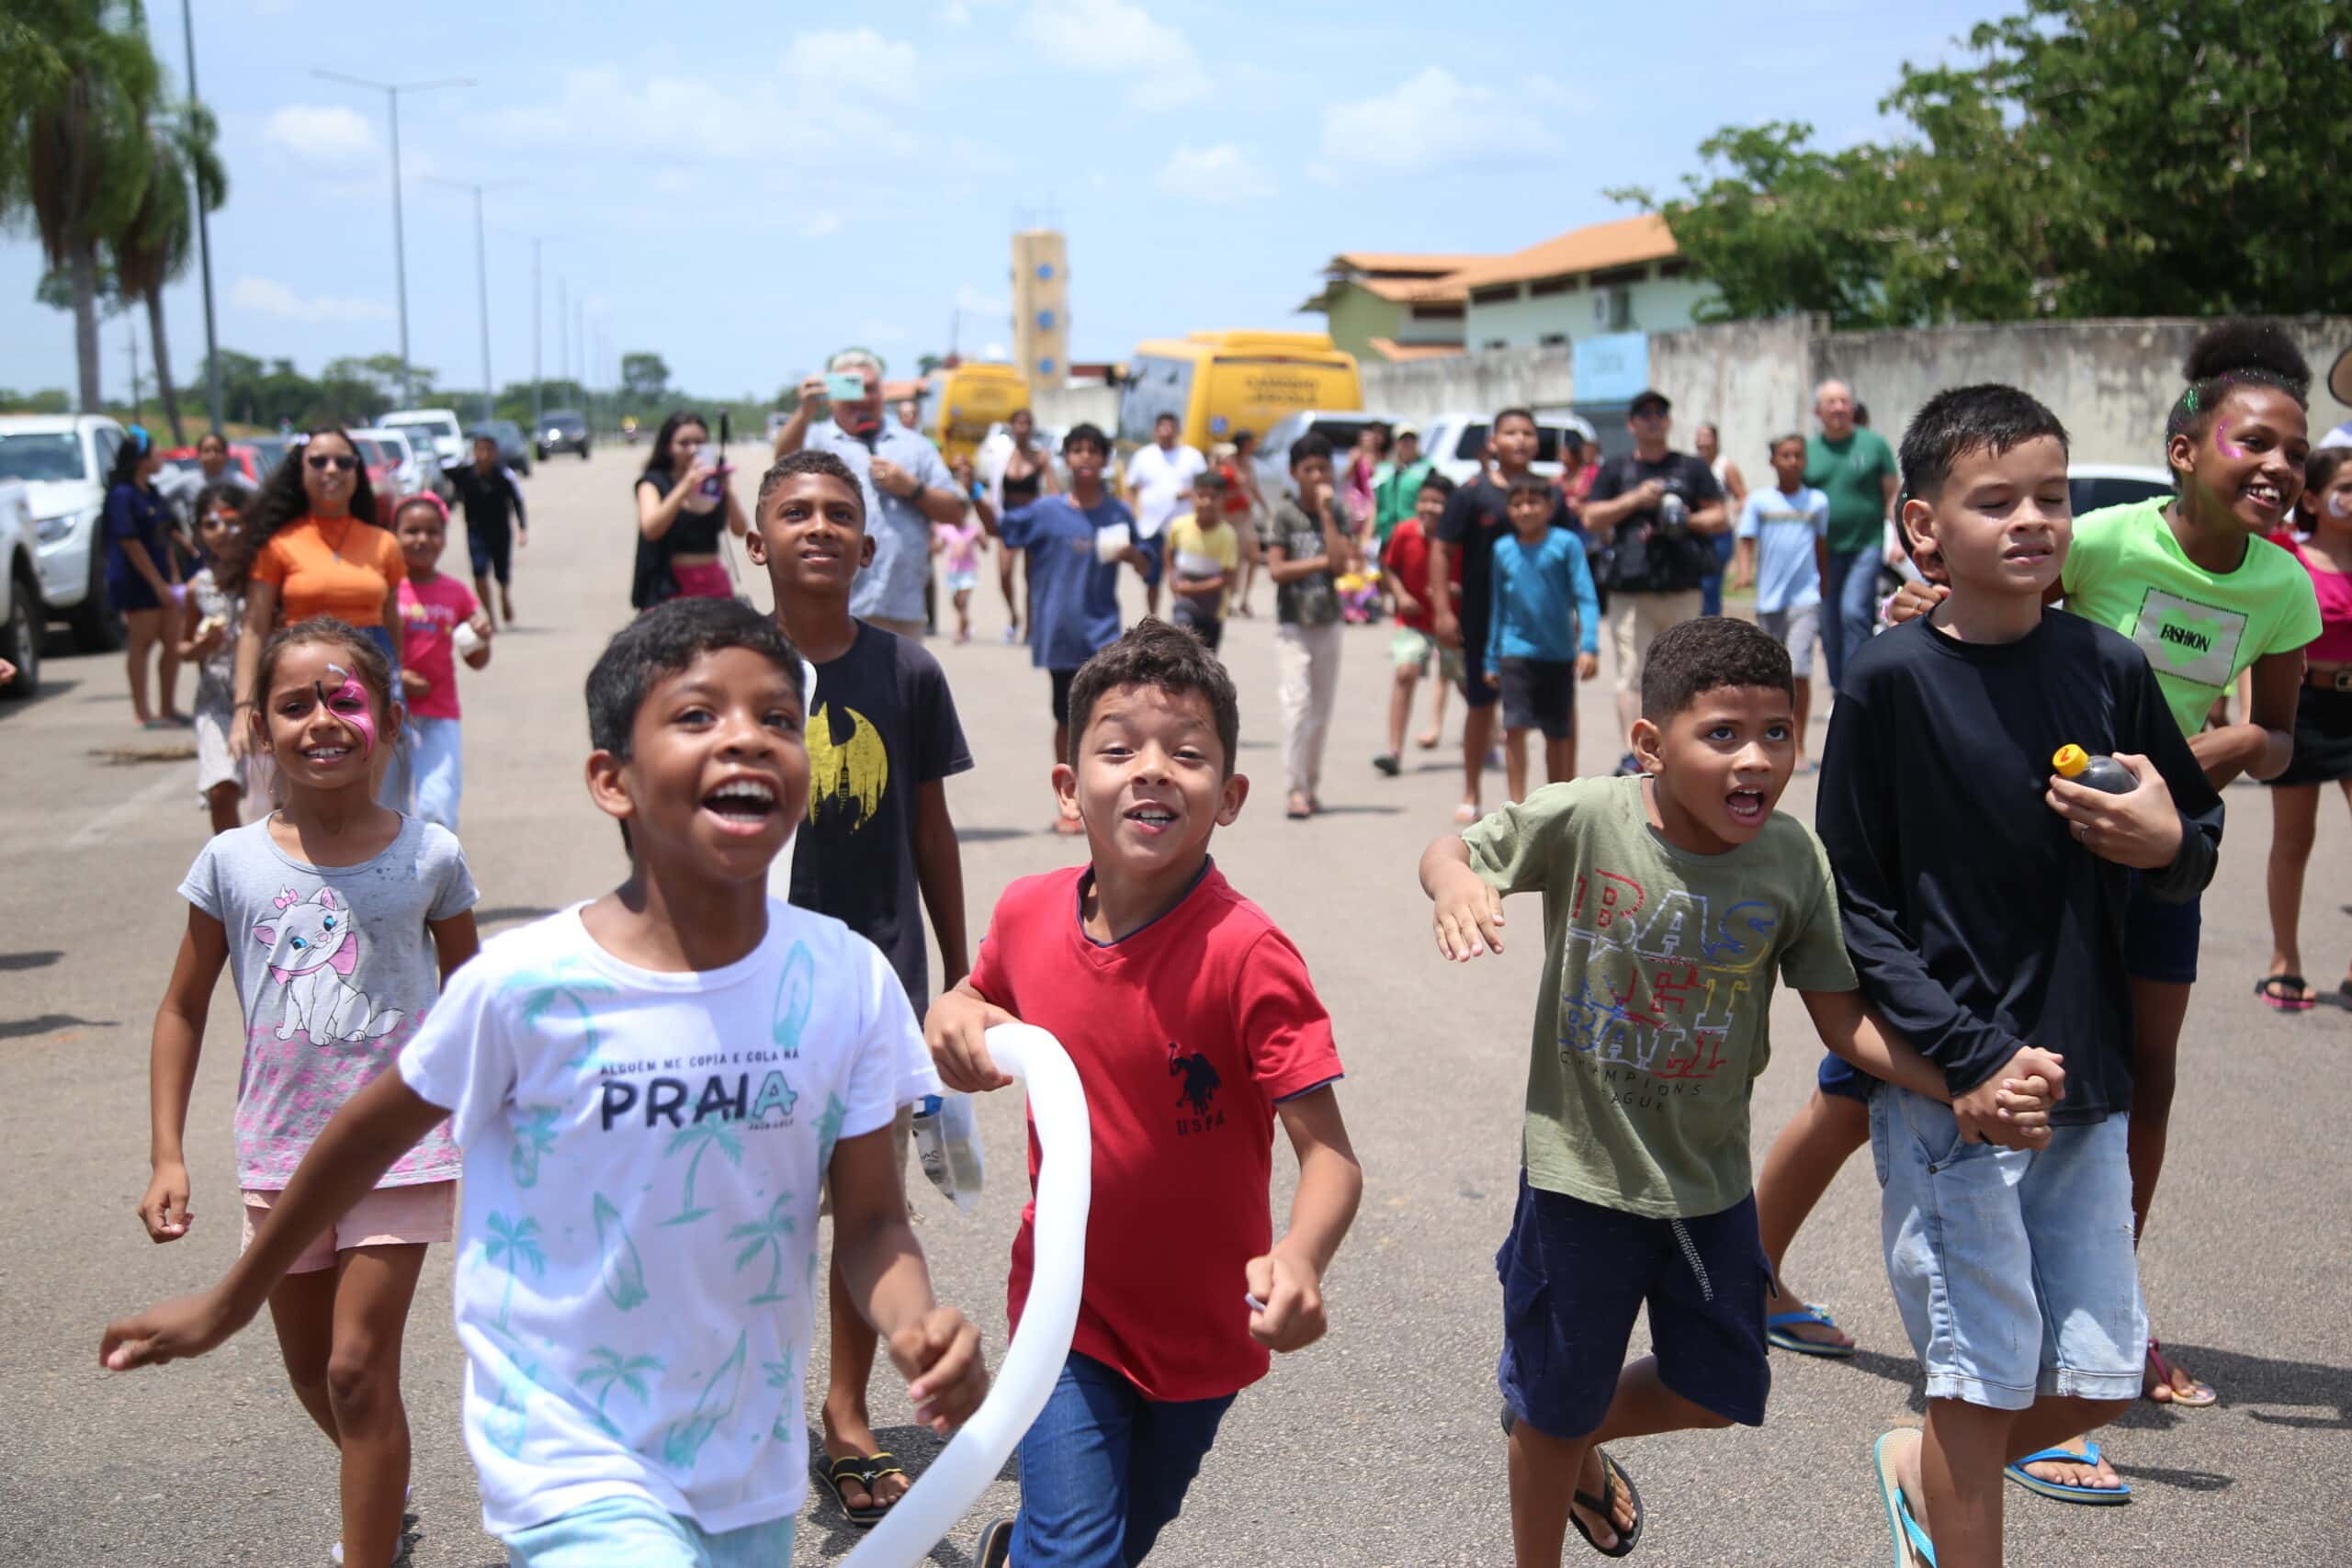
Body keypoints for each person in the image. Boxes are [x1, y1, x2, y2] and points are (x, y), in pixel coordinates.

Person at [101, 599, 992, 1568]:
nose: (745, 739)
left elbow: (868, 1222)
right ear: (611, 780)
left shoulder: (847, 979)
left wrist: (915, 1320)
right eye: (698, 716)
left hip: (744, 1459)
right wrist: (229, 1301)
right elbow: (363, 1133)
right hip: (568, 1451)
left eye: (777, 719)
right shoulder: (526, 988)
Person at [1419, 615, 2048, 1564]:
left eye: (1778, 733)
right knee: (1551, 1407)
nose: (1755, 759)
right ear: (1650, 745)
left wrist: (1964, 1080)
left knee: (1716, 1392)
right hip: (1576, 1177)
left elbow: (1844, 1024)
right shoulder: (1590, 815)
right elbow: (1452, 850)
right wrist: (1454, 885)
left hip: (1708, 1182)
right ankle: (1554, 1446)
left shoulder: (1792, 860)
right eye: (1721, 735)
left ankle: (1573, 1435)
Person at [1888, 323, 2320, 1437]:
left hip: (2150, 837)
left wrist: (2173, 789)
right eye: (2253, 442)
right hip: (2020, 847)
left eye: (2296, 450)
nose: (2278, 468)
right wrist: (1919, 621)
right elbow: (1992, 620)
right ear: (2186, 448)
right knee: (1887, 1079)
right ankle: (1761, 1269)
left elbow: (2275, 739)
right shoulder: (2103, 540)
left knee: (2137, 1074)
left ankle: (2104, 1315)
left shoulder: (2286, 588)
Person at [1820, 385, 2224, 1566]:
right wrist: (1970, 1059)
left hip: (2083, 1079)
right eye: (1994, 500)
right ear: (1921, 525)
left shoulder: (2107, 665)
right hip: (1956, 1094)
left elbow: (2191, 842)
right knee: (1980, 1378)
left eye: (2050, 497)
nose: (2033, 521)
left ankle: (1920, 1465)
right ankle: (1951, 1502)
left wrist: (2165, 845)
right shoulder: (1886, 681)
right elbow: (1857, 907)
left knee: (2100, 1378)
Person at [929, 621, 1363, 1568]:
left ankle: (1026, 1545)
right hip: (1066, 1306)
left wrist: (1300, 1257)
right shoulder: (1026, 911)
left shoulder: (1248, 955)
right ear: (1066, 786)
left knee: (1120, 1541)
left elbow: (1329, 1156)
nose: (1152, 771)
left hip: (1206, 1330)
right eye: (1118, 749)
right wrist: (953, 1014)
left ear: (1231, 796)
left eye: (1188, 754)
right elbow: (975, 994)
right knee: (1078, 1552)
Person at [125, 617, 481, 1568]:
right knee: (312, 1376)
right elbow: (183, 1008)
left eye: (344, 698)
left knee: (358, 1373)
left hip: (402, 1157)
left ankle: (370, 1547)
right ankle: (383, 1484)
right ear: (260, 728)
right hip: (279, 1155)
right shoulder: (231, 863)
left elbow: (475, 1008)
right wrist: (168, 1152)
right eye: (295, 704)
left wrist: (497, 1123)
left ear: (392, 721)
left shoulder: (431, 858)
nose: (321, 720)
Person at [739, 448, 975, 1529]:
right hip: (747, 988)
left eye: (841, 513)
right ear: (758, 542)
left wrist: (960, 975)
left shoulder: (907, 674)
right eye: (797, 512)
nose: (820, 528)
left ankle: (843, 1413)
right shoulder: (729, 672)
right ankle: (736, 1412)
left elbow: (930, 826)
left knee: (864, 1207)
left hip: (872, 988)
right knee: (746, 1210)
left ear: (871, 547)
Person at [1429, 408, 1582, 822]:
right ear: (1493, 442)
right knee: (1482, 707)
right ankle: (1471, 792)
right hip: (1484, 622)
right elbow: (1441, 550)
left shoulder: (1549, 494)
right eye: (1511, 433)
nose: (1520, 440)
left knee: (1559, 715)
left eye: (1528, 433)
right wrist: (1442, 610)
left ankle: (1561, 800)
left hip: (1546, 630)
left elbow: (1573, 558)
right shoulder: (1472, 493)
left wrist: (1580, 622)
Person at [1001, 423, 1155, 832]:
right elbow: (1003, 530)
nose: (1085, 458)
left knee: (1107, 720)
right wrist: (974, 492)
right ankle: (1071, 804)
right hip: (1060, 634)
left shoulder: (1118, 512)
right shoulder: (1046, 511)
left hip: (1103, 634)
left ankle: (1106, 802)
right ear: (1066, 459)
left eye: (1093, 451)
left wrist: (1132, 555)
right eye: (1077, 451)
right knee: (1067, 721)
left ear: (1105, 461)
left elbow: (1147, 566)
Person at [223, 429, 402, 769]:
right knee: (310, 792)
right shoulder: (279, 545)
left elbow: (393, 622)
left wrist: (400, 680)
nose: (331, 470)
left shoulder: (385, 544)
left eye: (343, 461)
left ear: (357, 471)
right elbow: (254, 629)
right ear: (301, 472)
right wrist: (244, 707)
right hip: (302, 682)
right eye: (318, 462)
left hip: (372, 676)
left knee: (374, 795)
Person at [1580, 389, 1727, 776]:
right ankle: (1636, 755)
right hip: (1631, 591)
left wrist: (1684, 520)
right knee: (1632, 673)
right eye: (1643, 414)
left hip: (1682, 587)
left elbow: (1720, 519)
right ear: (1631, 424)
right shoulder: (1616, 470)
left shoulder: (1692, 468)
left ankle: (1682, 746)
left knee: (1686, 672)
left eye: (1659, 413)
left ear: (1668, 420)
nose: (1652, 419)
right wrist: (1635, 500)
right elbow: (1591, 518)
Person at [777, 351, 967, 640]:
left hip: (902, 608)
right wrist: (804, 411)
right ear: (831, 395)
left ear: (883, 392)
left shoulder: (914, 446)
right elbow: (780, 468)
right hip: (833, 607)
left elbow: (955, 512)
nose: (862, 398)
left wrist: (912, 488)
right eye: (850, 388)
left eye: (870, 388)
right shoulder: (815, 439)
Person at [2264, 446, 2352, 1009]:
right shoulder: (2284, 551)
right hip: (2305, 705)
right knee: (2295, 840)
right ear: (2314, 499)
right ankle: (2284, 960)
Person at [1487, 472, 1600, 801]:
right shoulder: (1502, 549)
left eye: (1533, 502)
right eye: (1517, 503)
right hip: (1515, 651)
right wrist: (1491, 657)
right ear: (1508, 510)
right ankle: (1518, 806)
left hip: (1559, 653)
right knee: (1515, 728)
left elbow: (1586, 597)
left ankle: (1555, 802)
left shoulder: (1566, 544)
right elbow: (1498, 605)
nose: (1525, 510)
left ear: (1549, 507)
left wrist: (1589, 646)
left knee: (1557, 733)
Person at [390, 495, 493, 832]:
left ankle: (434, 880)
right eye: (412, 531)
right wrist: (398, 678)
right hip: (387, 714)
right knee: (386, 811)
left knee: (437, 809)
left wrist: (482, 637)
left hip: (439, 713)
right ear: (394, 536)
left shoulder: (456, 593)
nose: (422, 539)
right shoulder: (385, 590)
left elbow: (476, 660)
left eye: (433, 532)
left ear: (445, 538)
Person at [1265, 433, 1351, 821]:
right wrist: (1320, 563)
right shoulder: (1285, 515)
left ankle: (1311, 785)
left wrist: (1329, 513)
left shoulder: (1338, 512)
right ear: (1294, 473)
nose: (1317, 476)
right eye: (1309, 469)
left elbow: (1342, 564)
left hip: (1328, 621)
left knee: (1321, 710)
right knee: (1296, 704)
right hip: (1293, 624)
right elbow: (1278, 570)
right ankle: (1294, 788)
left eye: (1323, 468)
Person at [1732, 434, 1830, 771]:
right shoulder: (1760, 502)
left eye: (1798, 455)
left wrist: (1824, 586)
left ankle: (1798, 747)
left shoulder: (1816, 502)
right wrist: (1744, 573)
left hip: (1805, 598)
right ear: (1773, 461)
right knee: (1770, 673)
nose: (1792, 461)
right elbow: (1746, 541)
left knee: (1799, 670)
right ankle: (1769, 741)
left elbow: (1820, 548)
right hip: (1769, 600)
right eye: (1785, 455)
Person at [1805, 379, 1901, 691]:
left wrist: (1899, 538)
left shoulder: (1874, 445)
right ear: (1818, 411)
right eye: (1831, 402)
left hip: (1866, 545)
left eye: (1844, 401)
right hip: (1822, 551)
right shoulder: (1808, 452)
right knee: (1829, 624)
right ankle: (1839, 688)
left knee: (1853, 612)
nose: (1838, 408)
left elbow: (1892, 495)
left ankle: (1857, 687)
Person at [179, 484, 255, 835]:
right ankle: (231, 864)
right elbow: (182, 649)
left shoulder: (263, 577)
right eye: (211, 524)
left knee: (279, 794)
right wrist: (203, 643)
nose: (222, 531)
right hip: (216, 696)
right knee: (222, 787)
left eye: (231, 521)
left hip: (262, 692)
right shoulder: (199, 587)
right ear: (199, 532)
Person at [1375, 472, 1461, 775]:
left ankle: (1488, 739)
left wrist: (1452, 591)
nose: (1429, 508)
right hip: (1414, 620)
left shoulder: (1458, 538)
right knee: (1405, 672)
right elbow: (1389, 567)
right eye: (1425, 501)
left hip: (1452, 622)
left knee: (1469, 687)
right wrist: (1400, 595)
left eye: (1438, 503)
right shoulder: (1404, 532)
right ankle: (1394, 750)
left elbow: (1475, 580)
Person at [105, 424, 186, 729]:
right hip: (137, 582)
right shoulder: (122, 496)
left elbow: (164, 537)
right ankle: (143, 711)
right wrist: (158, 585)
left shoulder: (151, 492)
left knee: (172, 642)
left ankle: (167, 707)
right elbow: (130, 544)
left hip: (163, 578)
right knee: (142, 643)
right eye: (155, 452)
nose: (161, 457)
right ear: (140, 459)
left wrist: (174, 580)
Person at [632, 412, 747, 608]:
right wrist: (686, 485)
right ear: (668, 447)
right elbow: (651, 529)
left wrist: (727, 490)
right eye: (683, 443)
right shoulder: (653, 483)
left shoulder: (712, 482)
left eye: (699, 442)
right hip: (670, 586)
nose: (692, 449)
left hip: (713, 581)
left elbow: (740, 529)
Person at [1122, 412, 1206, 618]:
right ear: (1155, 431)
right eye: (1162, 428)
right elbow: (1130, 488)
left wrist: (1190, 494)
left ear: (1178, 431)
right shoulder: (1144, 456)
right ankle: (1152, 619)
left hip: (1183, 527)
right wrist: (1132, 516)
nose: (1166, 433)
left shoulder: (1192, 457)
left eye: (1171, 428)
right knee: (1152, 578)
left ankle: (1182, 618)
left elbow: (1206, 486)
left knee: (1182, 575)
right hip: (1151, 528)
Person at [984, 408, 1058, 643]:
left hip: (1034, 520)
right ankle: (1014, 616)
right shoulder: (1002, 456)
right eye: (1017, 423)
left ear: (1031, 428)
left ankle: (1031, 628)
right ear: (1012, 427)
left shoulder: (1040, 456)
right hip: (1009, 519)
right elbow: (993, 489)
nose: (1022, 428)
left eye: (1026, 423)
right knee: (1004, 574)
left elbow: (1053, 490)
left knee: (1031, 577)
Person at [447, 432, 528, 626]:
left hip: (500, 530)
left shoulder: (504, 475)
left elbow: (517, 500)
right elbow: (443, 470)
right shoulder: (465, 473)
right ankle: (490, 613)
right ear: (474, 452)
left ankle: (504, 596)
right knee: (479, 571)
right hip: (475, 531)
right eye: (480, 450)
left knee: (502, 572)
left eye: (488, 450)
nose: (484, 454)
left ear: (495, 453)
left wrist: (522, 527)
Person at [1166, 470, 1239, 654]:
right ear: (1193, 496)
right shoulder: (1179, 526)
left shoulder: (1227, 536)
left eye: (1214, 497)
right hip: (1184, 603)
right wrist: (1171, 576)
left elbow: (1226, 578)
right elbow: (1169, 551)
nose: (1207, 502)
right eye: (1201, 496)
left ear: (1223, 499)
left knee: (1206, 660)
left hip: (1212, 611)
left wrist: (1191, 589)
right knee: (1181, 649)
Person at [1693, 423, 1747, 618]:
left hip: (1719, 536)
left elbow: (1743, 497)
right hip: (1698, 534)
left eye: (1706, 436)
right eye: (1698, 436)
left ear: (1716, 440)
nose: (1701, 441)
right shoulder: (1694, 466)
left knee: (1711, 584)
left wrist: (1727, 512)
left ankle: (1711, 627)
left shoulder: (1725, 467)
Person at [939, 455, 990, 645]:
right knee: (956, 602)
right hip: (953, 570)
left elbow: (985, 545)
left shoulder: (972, 529)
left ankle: (960, 633)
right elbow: (940, 545)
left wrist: (982, 540)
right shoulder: (947, 529)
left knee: (962, 601)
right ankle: (967, 624)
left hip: (968, 571)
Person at [1224, 429, 1268, 616]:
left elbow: (1253, 487)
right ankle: (1229, 599)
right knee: (1233, 561)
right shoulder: (1228, 463)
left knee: (1253, 557)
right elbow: (1223, 491)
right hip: (1231, 517)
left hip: (1246, 517)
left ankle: (1244, 598)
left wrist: (1264, 506)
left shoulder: (1249, 464)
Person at [1371, 423, 1431, 547]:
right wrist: (1368, 534)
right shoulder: (1383, 469)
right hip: (1387, 535)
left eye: (1412, 439)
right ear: (1395, 443)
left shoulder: (1427, 469)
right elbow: (1375, 504)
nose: (1408, 443)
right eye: (1403, 439)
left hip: (1414, 535)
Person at [1341, 421, 1388, 540]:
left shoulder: (1382, 456)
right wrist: (1354, 463)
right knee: (1358, 531)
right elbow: (1345, 476)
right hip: (1360, 498)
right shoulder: (1356, 454)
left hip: (1375, 496)